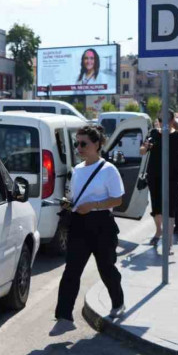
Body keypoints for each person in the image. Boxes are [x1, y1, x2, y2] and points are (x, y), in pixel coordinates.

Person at [52, 125, 126, 334]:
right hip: (79, 224)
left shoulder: (109, 169)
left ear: (97, 144)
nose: (79, 147)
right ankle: (64, 316)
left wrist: (93, 205)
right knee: (71, 270)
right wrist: (70, 203)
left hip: (102, 224)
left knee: (106, 268)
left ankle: (118, 302)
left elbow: (118, 199)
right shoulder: (77, 170)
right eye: (77, 143)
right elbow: (77, 198)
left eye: (83, 143)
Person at [141, 112, 178, 248]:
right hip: (154, 174)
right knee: (156, 206)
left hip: (172, 175)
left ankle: (168, 241)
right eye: (161, 121)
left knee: (170, 208)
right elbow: (142, 151)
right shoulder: (153, 133)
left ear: (172, 121)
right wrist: (146, 146)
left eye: (167, 121)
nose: (164, 124)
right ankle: (158, 231)